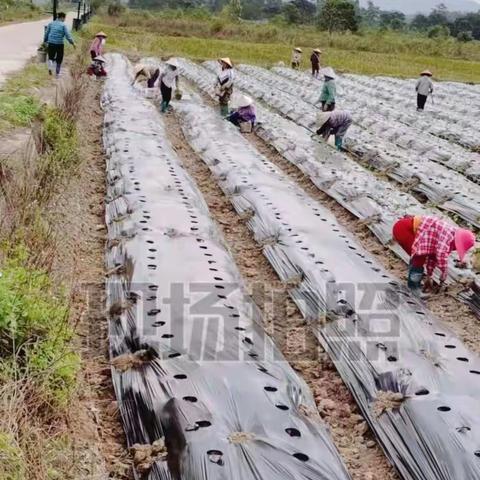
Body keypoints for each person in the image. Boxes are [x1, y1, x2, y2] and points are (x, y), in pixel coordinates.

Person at [392, 215, 475, 295]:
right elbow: (441, 254)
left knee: (419, 258)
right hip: (403, 229)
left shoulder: (448, 235)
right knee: (419, 257)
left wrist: (429, 276)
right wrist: (443, 273)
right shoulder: (448, 235)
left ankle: (413, 283)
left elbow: (433, 257)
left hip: (406, 230)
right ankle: (413, 288)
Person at [43, 12, 75, 78]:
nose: (64, 20)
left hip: (51, 43)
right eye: (64, 18)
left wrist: (45, 41)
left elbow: (46, 33)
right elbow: (68, 36)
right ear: (62, 17)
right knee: (59, 59)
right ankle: (57, 74)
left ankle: (50, 67)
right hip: (59, 44)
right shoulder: (63, 25)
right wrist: (72, 43)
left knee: (51, 57)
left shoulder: (51, 23)